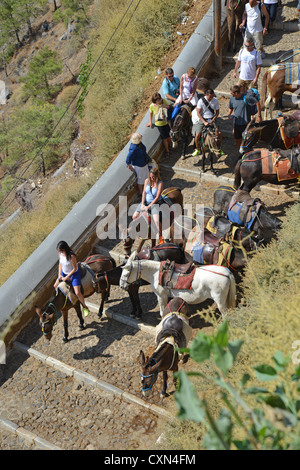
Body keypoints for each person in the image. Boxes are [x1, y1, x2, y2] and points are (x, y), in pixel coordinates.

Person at [54, 241, 90, 317]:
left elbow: (75, 268)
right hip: (64, 272)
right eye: (59, 251)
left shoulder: (71, 256)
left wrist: (67, 277)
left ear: (65, 249)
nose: (60, 252)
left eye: (61, 250)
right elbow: (60, 264)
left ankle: (85, 307)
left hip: (73, 274)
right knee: (55, 285)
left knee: (77, 292)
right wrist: (59, 275)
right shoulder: (60, 254)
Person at [132, 167, 164, 241]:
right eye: (151, 176)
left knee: (156, 220)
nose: (152, 178)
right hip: (145, 201)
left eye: (153, 177)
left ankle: (161, 236)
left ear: (157, 176)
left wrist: (149, 206)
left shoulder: (160, 183)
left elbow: (157, 197)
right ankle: (136, 231)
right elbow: (144, 193)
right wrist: (142, 204)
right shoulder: (147, 181)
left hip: (155, 203)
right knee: (134, 216)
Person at [191, 88, 223, 156]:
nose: (211, 98)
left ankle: (219, 148)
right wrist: (204, 122)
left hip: (211, 118)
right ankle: (197, 148)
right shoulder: (201, 101)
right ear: (206, 95)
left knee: (219, 133)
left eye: (212, 96)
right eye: (210, 97)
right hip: (203, 119)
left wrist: (213, 119)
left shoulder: (215, 100)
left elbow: (217, 112)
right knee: (197, 134)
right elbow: (198, 113)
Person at [228, 84, 261, 149]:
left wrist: (259, 116)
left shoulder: (246, 98)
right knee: (237, 138)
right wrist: (229, 114)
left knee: (246, 139)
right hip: (237, 123)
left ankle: (247, 151)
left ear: (236, 93)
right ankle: (240, 152)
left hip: (246, 123)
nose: (231, 94)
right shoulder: (232, 98)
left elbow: (257, 103)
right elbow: (231, 107)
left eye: (232, 93)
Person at [146, 92, 172, 157]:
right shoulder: (152, 106)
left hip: (165, 122)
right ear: (155, 101)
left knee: (169, 136)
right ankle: (167, 150)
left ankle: (171, 146)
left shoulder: (163, 101)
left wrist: (165, 106)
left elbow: (169, 106)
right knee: (164, 138)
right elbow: (151, 113)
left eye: (160, 99)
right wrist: (150, 122)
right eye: (158, 100)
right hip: (159, 124)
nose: (159, 101)